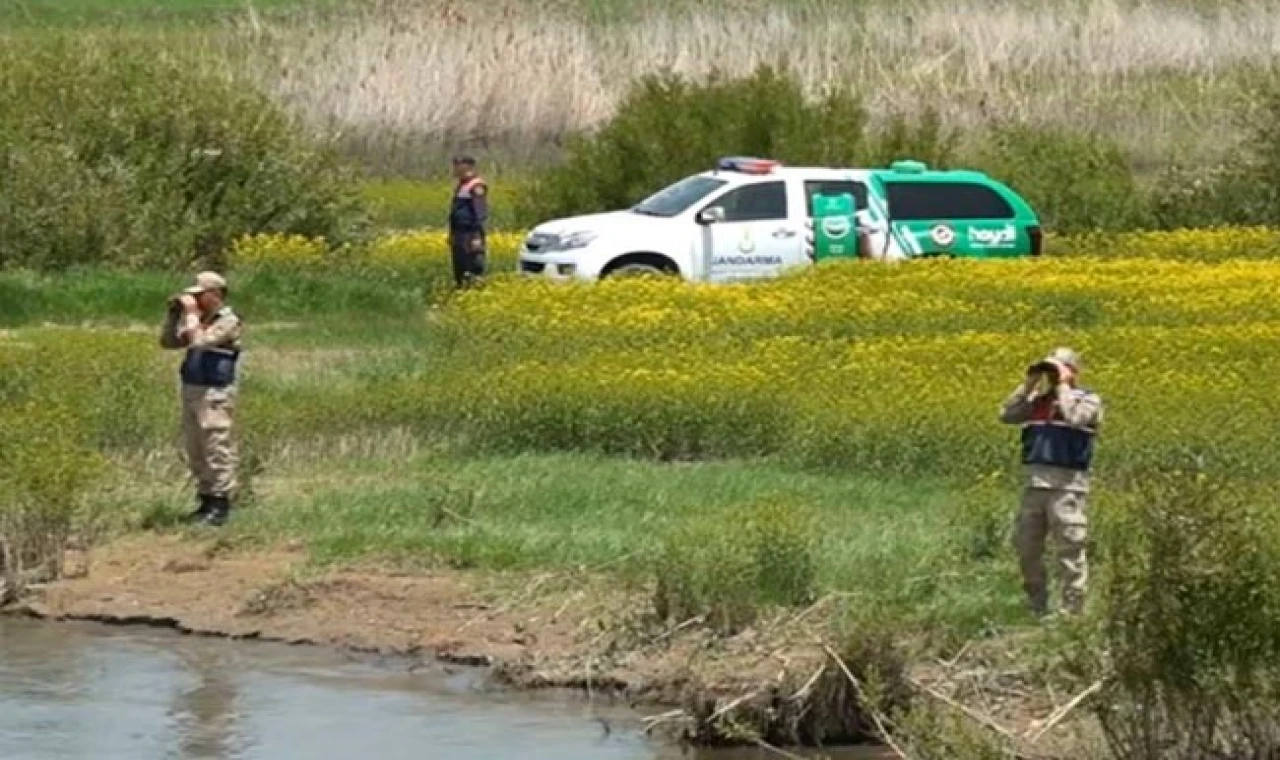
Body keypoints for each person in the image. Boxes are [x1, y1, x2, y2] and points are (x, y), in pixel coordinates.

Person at [998, 347, 1103, 617]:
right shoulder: (1036, 402)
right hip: (1035, 486)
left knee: (1069, 547)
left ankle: (1072, 611)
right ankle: (1037, 606)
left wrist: (1065, 386)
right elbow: (1007, 415)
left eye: (1056, 369)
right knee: (1026, 548)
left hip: (1067, 487)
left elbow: (1076, 418)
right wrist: (1029, 384)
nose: (1052, 375)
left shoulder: (1087, 400)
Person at [159, 271, 244, 527]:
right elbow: (168, 342)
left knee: (216, 445)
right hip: (193, 389)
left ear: (215, 295)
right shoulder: (197, 319)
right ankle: (205, 499)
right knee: (196, 447)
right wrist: (174, 315)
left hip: (215, 392)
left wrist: (192, 314)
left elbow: (198, 343)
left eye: (200, 295)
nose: (194, 300)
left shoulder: (228, 321)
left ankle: (220, 504)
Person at [448, 155, 489, 288]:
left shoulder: (476, 186)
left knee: (473, 265)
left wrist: (476, 237)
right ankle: (461, 290)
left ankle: (474, 292)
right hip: (459, 234)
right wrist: (452, 234)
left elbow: (479, 213)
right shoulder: (461, 185)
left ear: (467, 166)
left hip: (470, 234)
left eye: (458, 165)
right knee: (460, 266)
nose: (455, 168)